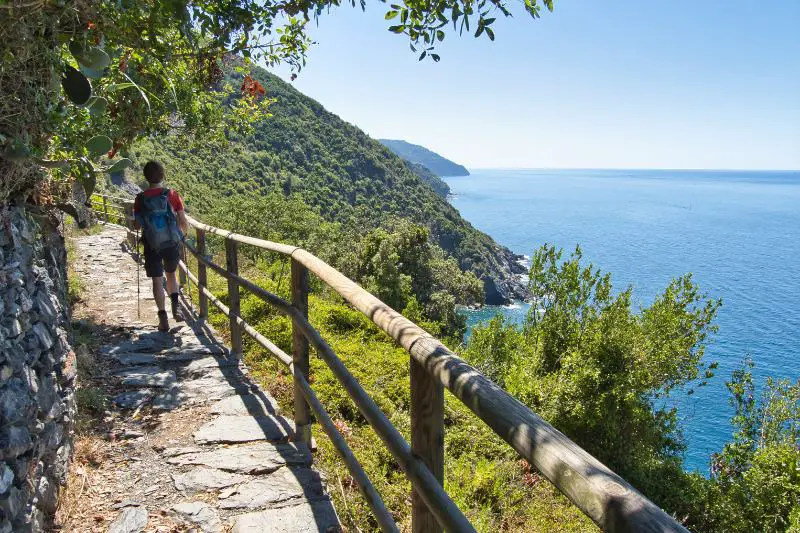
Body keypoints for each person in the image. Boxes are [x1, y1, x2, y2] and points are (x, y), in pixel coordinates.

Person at [133, 161, 189, 332]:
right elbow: (182, 221)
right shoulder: (172, 194)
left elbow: (136, 226)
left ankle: (162, 317)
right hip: (171, 242)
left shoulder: (140, 199)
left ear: (146, 177)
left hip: (152, 244)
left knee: (157, 281)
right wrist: (183, 235)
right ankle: (176, 307)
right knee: (171, 275)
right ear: (163, 175)